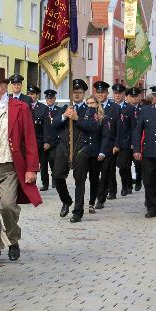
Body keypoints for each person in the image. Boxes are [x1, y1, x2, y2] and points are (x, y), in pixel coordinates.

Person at [0, 68, 41, 265]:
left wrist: (31, 168)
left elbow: (29, 139)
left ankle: (13, 240)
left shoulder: (20, 107)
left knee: (8, 206)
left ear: (5, 87)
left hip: (10, 166)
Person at [51, 79, 100, 223]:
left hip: (81, 148)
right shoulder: (63, 108)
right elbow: (54, 125)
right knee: (57, 176)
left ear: (84, 94)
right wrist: (64, 116)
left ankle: (78, 211)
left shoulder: (90, 110)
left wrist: (77, 118)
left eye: (79, 92)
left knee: (80, 180)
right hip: (64, 147)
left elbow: (93, 127)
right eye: (74, 92)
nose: (76, 95)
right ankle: (66, 200)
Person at [132, 85, 156, 218]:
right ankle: (151, 207)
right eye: (155, 96)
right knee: (149, 181)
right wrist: (136, 150)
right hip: (148, 152)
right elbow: (137, 131)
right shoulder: (146, 110)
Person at [94, 81, 120, 207]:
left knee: (105, 173)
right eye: (98, 92)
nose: (100, 95)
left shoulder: (114, 107)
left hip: (109, 145)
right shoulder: (92, 105)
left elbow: (119, 128)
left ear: (106, 93)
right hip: (94, 144)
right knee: (94, 173)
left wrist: (117, 144)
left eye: (102, 92)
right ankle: (95, 195)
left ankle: (101, 199)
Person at [115, 85, 135, 197]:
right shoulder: (111, 107)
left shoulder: (130, 108)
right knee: (112, 167)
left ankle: (125, 186)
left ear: (124, 95)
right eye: (116, 93)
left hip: (125, 142)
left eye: (120, 93)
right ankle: (112, 189)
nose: (117, 95)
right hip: (112, 142)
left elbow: (133, 127)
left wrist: (133, 142)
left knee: (124, 166)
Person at [28, 85, 49, 191]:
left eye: (32, 94)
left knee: (43, 163)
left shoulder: (43, 108)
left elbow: (46, 126)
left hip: (39, 140)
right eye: (29, 94)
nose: (30, 96)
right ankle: (32, 183)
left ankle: (45, 183)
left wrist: (46, 141)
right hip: (29, 141)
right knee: (31, 163)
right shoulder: (24, 106)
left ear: (37, 95)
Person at [128, 87, 145, 192]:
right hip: (127, 140)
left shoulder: (145, 109)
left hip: (139, 140)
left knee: (138, 163)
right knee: (125, 164)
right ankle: (128, 184)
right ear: (129, 97)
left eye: (136, 96)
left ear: (140, 96)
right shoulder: (125, 108)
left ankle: (138, 180)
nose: (134, 98)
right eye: (132, 96)